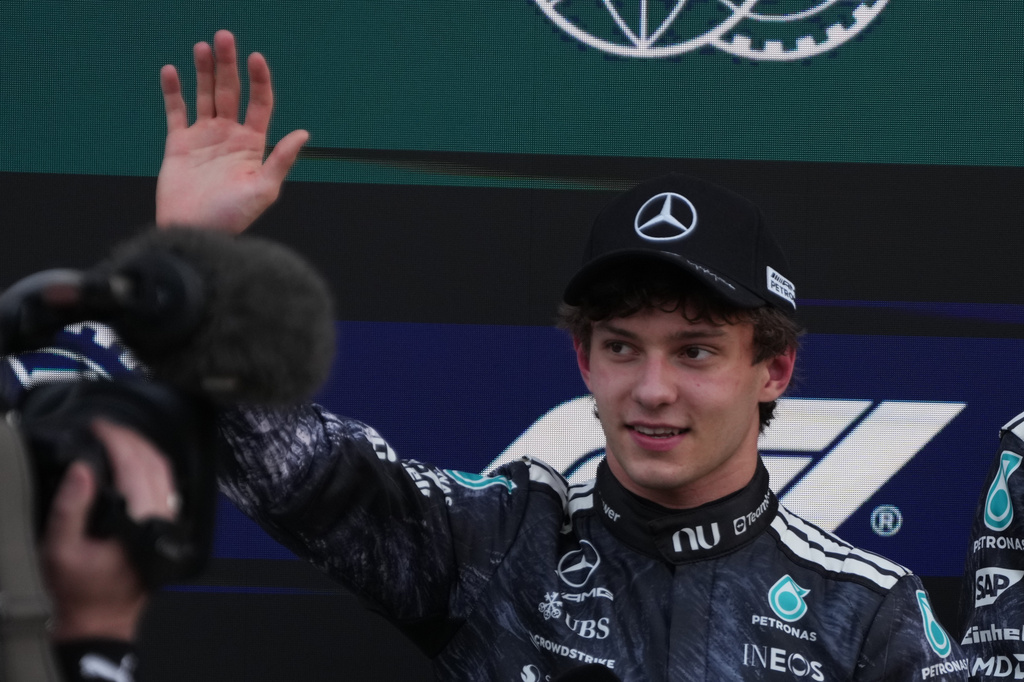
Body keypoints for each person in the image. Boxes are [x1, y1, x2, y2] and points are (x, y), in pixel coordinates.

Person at [26, 29, 969, 680]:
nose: (652, 389)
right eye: (620, 346)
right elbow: (280, 461)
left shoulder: (866, 608)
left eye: (695, 351)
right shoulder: (498, 544)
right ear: (582, 362)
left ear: (774, 370)